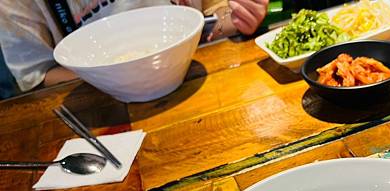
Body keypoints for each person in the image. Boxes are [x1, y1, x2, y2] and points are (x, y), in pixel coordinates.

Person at [0, 0, 268, 94]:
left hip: (199, 81)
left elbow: (214, 12)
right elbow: (37, 76)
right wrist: (119, 73)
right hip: (102, 111)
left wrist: (236, 16)